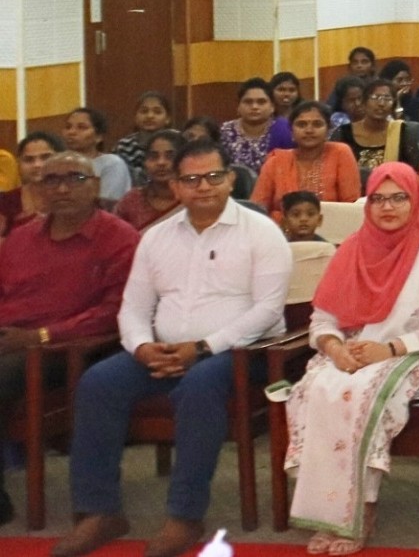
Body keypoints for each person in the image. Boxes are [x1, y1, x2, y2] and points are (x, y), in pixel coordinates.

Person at [55, 142, 288, 557]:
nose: (204, 187)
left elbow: (268, 310)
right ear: (176, 186)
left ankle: (185, 515)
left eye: (213, 177)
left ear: (230, 180)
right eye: (192, 179)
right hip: (162, 352)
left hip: (240, 353)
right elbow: (133, 308)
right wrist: (142, 347)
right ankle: (99, 511)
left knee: (198, 387)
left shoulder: (262, 232)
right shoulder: (156, 237)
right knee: (97, 383)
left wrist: (202, 347)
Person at [285, 164, 419, 553]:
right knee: (318, 387)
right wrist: (335, 349)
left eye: (398, 198)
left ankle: (362, 509)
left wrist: (389, 349)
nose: (387, 207)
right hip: (355, 350)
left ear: (416, 201)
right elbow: (322, 319)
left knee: (363, 392)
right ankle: (329, 513)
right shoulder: (351, 250)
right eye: (378, 198)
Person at [0, 151, 141, 524]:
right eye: (51, 180)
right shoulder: (20, 238)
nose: (62, 189)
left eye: (74, 179)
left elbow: (114, 312)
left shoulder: (119, 237)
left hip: (67, 348)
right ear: (38, 189)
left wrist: (41, 336)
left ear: (95, 185)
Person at [254, 101, 361, 213]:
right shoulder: (276, 161)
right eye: (301, 125)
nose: (309, 130)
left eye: (317, 124)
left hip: (333, 222)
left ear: (328, 131)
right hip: (281, 224)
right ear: (291, 132)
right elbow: (257, 208)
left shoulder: (340, 153)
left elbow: (351, 205)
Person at [335, 78, 419, 173]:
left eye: (387, 99)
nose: (381, 104)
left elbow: (414, 171)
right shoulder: (343, 133)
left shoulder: (402, 132)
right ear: (364, 102)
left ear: (393, 106)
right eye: (375, 97)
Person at [115, 130, 185, 230]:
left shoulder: (193, 200)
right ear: (145, 162)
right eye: (153, 157)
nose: (161, 162)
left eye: (170, 157)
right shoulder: (132, 200)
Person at [61, 108, 132, 202]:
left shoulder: (111, 163)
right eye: (68, 127)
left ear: (99, 136)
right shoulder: (59, 165)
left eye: (82, 127)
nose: (71, 132)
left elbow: (108, 203)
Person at [219, 79, 281, 174]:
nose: (254, 107)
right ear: (238, 106)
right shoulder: (226, 131)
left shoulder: (283, 130)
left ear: (272, 107)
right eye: (248, 102)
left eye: (261, 102)